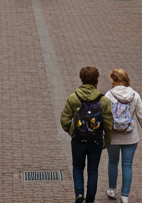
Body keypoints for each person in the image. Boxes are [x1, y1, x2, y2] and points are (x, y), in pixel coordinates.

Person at [60, 66, 113, 203]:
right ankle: (90, 200)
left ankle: (79, 192)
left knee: (77, 167)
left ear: (81, 79)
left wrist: (72, 131)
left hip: (78, 140)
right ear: (97, 79)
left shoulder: (74, 98)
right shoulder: (103, 100)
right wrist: (106, 140)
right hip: (96, 141)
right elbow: (109, 124)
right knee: (93, 171)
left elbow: (64, 120)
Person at [104, 68, 142, 203]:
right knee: (127, 165)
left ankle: (112, 189)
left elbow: (105, 117)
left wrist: (103, 134)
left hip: (113, 137)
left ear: (113, 80)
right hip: (130, 136)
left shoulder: (108, 95)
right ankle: (124, 195)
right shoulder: (134, 95)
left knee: (112, 162)